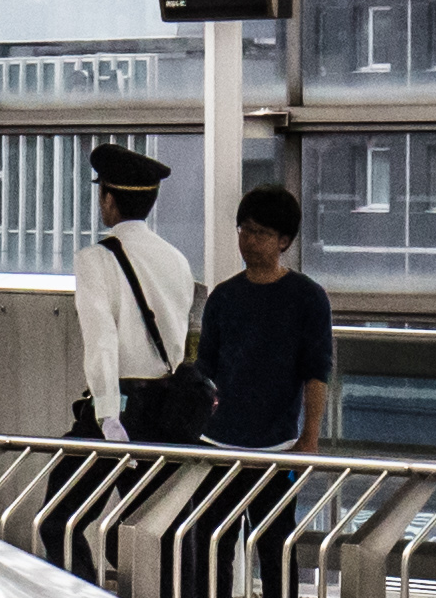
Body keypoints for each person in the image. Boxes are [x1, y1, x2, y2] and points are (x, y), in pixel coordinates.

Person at [64, 143, 202, 443]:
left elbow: (101, 338)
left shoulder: (94, 259)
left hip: (122, 407)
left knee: (67, 486)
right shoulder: (177, 259)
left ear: (108, 198)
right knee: (149, 492)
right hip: (165, 409)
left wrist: (108, 415)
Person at [198, 182, 336, 454]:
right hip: (215, 441)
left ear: (284, 240)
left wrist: (309, 438)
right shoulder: (223, 296)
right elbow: (206, 366)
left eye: (261, 233)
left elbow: (317, 373)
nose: (249, 241)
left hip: (278, 444)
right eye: (245, 230)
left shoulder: (308, 297)